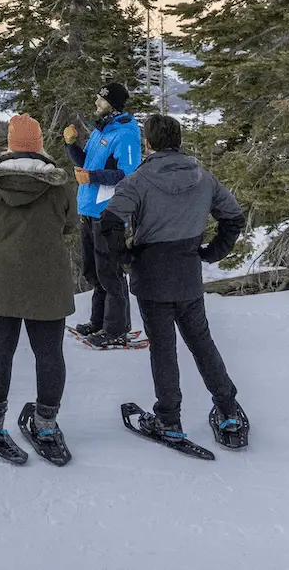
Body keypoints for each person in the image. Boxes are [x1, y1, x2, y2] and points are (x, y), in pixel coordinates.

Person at [100, 114, 249, 445]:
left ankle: (169, 419)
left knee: (163, 349)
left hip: (151, 276)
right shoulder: (202, 177)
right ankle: (227, 410)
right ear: (178, 141)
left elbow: (109, 222)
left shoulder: (138, 181)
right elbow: (233, 217)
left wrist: (125, 257)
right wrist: (213, 252)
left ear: (148, 144)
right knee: (201, 342)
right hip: (187, 272)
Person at [0, 114, 78, 458]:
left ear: (11, 143)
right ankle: (44, 424)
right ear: (39, 143)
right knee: (49, 354)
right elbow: (70, 223)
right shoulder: (58, 186)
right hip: (49, 281)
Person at [63, 80, 142, 348]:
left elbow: (128, 174)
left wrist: (93, 176)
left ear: (114, 104)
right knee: (93, 272)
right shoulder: (101, 130)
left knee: (110, 273)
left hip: (108, 213)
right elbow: (86, 165)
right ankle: (99, 322)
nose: (96, 102)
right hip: (88, 210)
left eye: (101, 99)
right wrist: (71, 145)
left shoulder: (126, 134)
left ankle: (116, 328)